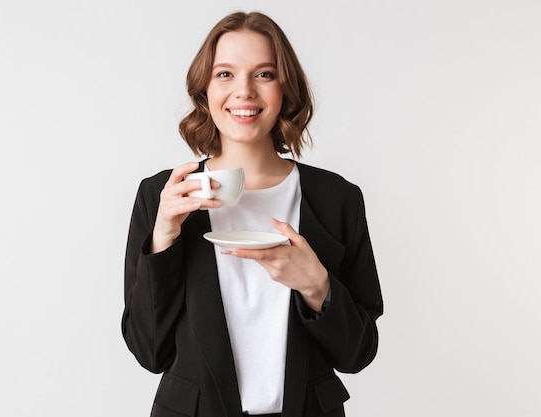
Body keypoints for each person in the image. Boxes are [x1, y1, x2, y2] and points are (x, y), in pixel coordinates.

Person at [122, 11, 383, 417]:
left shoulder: (337, 199)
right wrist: (163, 237)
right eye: (225, 74)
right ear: (203, 90)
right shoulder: (163, 195)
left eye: (264, 74)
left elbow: (359, 354)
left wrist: (317, 285)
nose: (244, 91)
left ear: (285, 89)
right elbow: (148, 351)